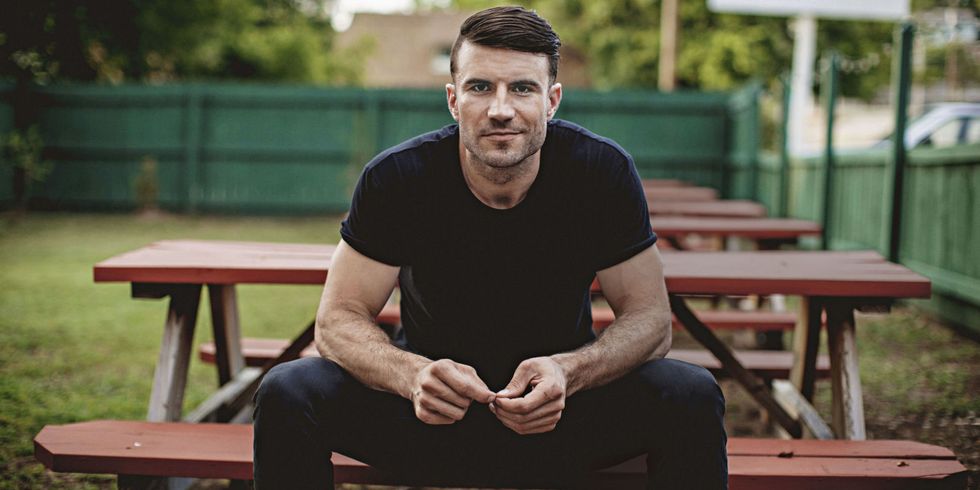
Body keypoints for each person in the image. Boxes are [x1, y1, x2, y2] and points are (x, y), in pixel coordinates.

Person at [253, 6, 727, 489]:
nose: (501, 109)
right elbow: (337, 321)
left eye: (522, 88)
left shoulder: (600, 172)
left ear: (552, 100)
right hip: (429, 420)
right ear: (453, 99)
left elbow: (650, 319)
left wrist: (569, 372)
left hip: (561, 417)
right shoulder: (397, 178)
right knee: (289, 389)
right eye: (480, 87)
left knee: (688, 392)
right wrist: (411, 375)